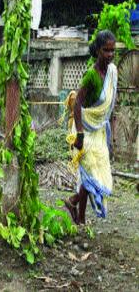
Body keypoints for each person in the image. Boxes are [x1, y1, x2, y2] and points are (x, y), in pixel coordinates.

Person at [64, 30, 117, 225]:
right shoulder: (91, 76)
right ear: (97, 50)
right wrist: (79, 134)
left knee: (91, 174)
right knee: (89, 173)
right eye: (106, 50)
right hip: (85, 129)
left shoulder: (112, 73)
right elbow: (78, 104)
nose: (110, 55)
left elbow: (110, 105)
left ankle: (79, 214)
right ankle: (74, 202)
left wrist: (109, 128)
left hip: (99, 131)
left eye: (113, 50)